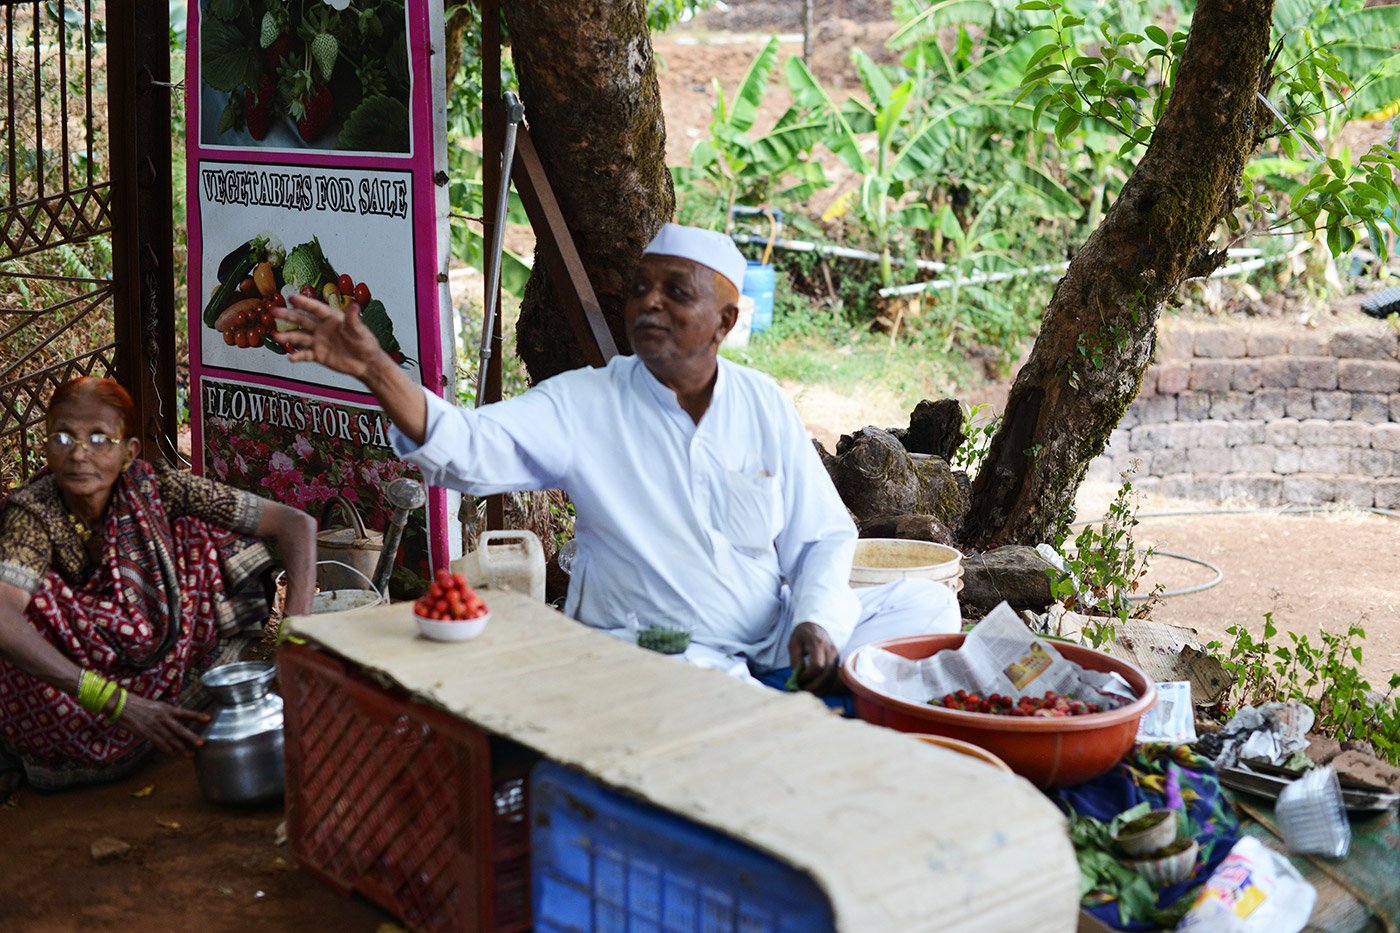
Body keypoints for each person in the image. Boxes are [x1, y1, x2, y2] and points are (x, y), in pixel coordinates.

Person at [275, 223, 958, 692]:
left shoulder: (762, 403)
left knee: (927, 608)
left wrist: (814, 620)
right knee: (702, 693)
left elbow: (823, 537)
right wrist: (377, 370)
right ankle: (799, 701)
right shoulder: (585, 403)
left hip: (771, 632)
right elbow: (469, 450)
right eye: (640, 288)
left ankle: (808, 679)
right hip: (660, 649)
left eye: (675, 292)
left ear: (724, 322)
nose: (649, 303)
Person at [0, 377, 316, 792]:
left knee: (198, 535)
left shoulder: (158, 487)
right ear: (46, 446)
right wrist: (111, 700)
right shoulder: (34, 513)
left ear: (128, 452)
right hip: (74, 695)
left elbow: (296, 524)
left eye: (99, 439)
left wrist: (293, 646)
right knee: (30, 609)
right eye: (63, 437)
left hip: (159, 656)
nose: (79, 454)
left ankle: (180, 695)